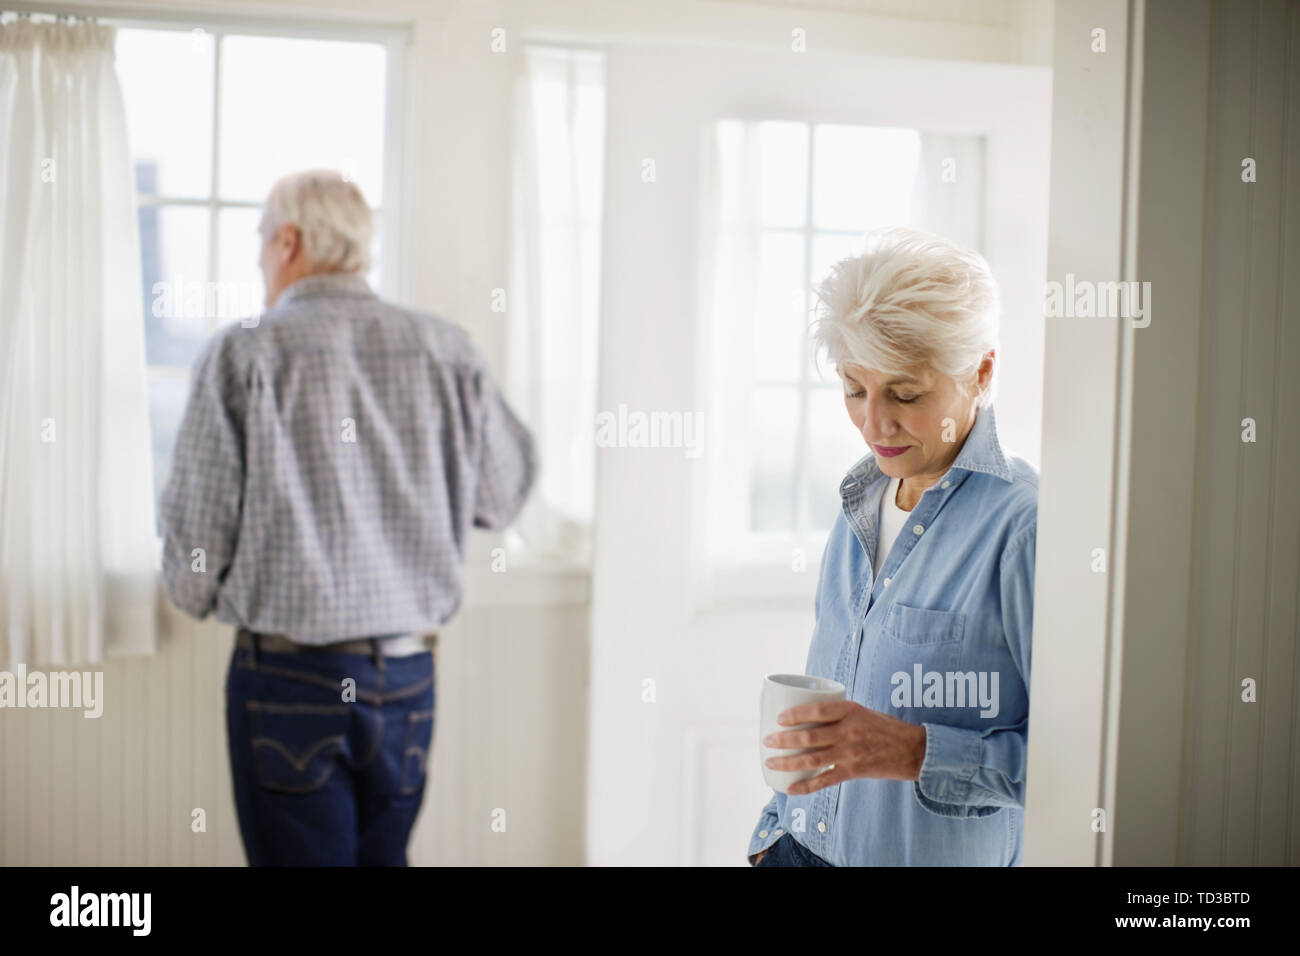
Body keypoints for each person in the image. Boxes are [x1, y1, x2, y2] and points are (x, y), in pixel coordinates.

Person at [159, 169, 536, 865]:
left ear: (289, 242)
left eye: (261, 241)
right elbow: (505, 492)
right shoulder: (446, 348)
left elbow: (193, 563)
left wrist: (203, 593)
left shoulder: (243, 351)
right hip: (408, 678)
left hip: (289, 679)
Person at [748, 228, 1038, 866]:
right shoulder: (860, 499)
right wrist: (772, 836)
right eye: (855, 389)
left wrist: (917, 753)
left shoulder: (1024, 526)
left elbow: (1082, 761)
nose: (875, 425)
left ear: (980, 374)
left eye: (905, 395)